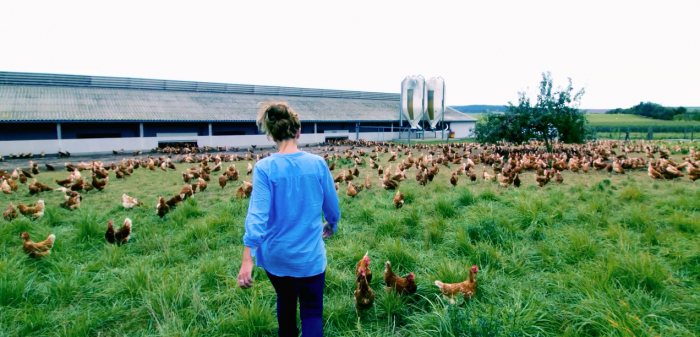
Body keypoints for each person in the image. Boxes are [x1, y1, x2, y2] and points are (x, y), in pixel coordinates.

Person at [237, 102, 341, 337]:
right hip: (309, 258)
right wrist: (331, 224)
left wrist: (247, 259)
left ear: (272, 135)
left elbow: (257, 216)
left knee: (285, 302)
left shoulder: (264, 168)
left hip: (277, 258)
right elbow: (332, 208)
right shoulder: (317, 164)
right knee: (312, 312)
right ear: (298, 131)